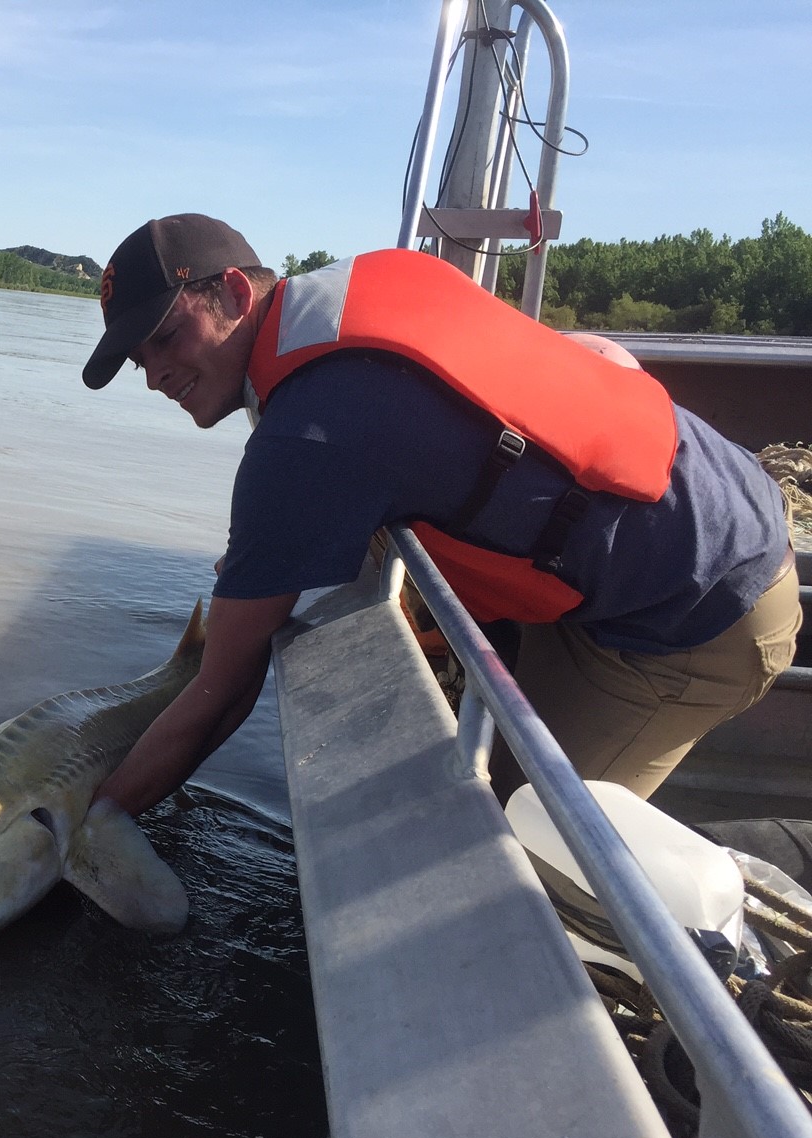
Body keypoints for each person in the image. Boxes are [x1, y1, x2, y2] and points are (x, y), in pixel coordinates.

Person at [80, 213, 802, 863]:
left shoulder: (305, 437)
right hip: (710, 499)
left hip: (698, 612)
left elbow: (223, 687)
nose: (155, 377)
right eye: (139, 360)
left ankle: (750, 890)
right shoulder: (361, 285)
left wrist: (96, 816)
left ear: (236, 292)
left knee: (520, 862)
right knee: (496, 780)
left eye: (167, 337)